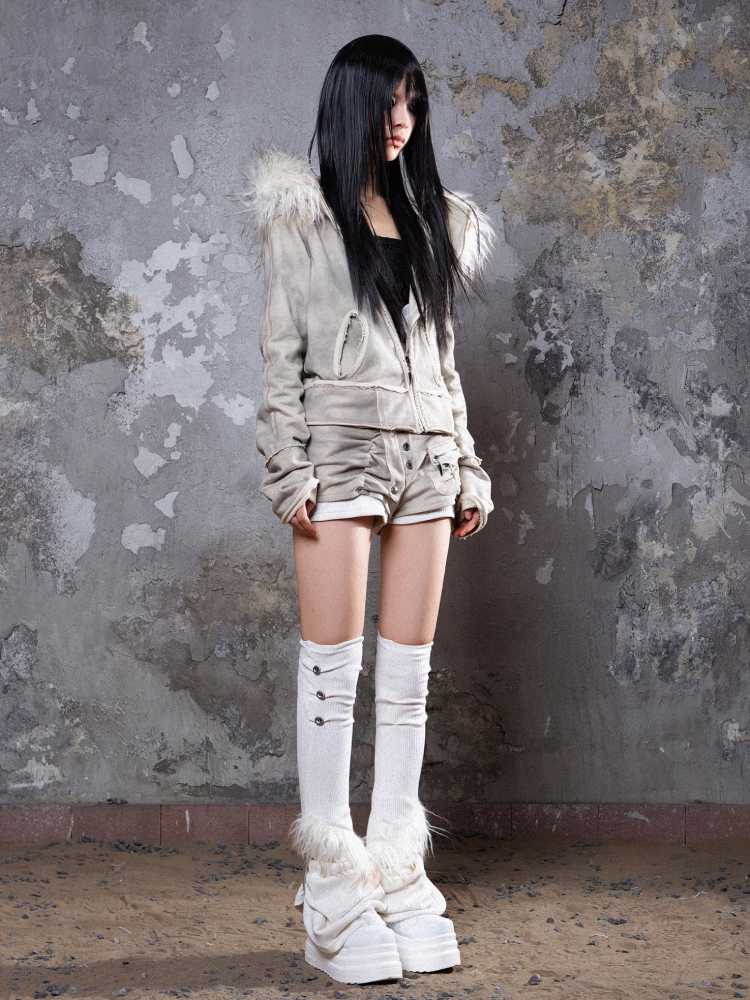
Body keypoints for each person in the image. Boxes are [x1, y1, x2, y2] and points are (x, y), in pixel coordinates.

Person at [237, 33, 496, 986]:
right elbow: (280, 359)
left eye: (414, 102)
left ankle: (394, 866)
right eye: (388, 101)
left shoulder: (436, 219)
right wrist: (287, 466)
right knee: (332, 675)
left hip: (426, 459)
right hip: (339, 450)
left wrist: (466, 465)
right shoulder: (301, 220)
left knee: (408, 680)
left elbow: (443, 363)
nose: (402, 119)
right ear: (350, 103)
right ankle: (331, 882)